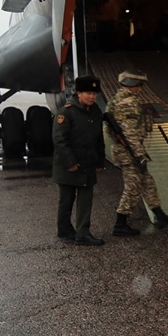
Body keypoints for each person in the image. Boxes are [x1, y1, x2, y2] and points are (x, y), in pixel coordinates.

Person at [107, 70, 168, 235]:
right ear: (131, 85)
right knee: (133, 187)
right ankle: (120, 224)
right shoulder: (127, 102)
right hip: (129, 152)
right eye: (139, 85)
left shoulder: (118, 99)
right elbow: (129, 133)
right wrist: (139, 155)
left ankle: (160, 216)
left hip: (130, 149)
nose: (140, 89)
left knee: (148, 183)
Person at [53, 75, 106, 246]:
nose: (92, 97)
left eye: (94, 93)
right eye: (88, 93)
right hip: (69, 166)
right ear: (78, 93)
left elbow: (99, 139)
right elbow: (60, 140)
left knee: (85, 200)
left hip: (87, 163)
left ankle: (82, 233)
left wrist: (100, 160)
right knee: (67, 200)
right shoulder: (66, 112)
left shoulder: (96, 112)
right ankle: (64, 229)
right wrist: (70, 162)